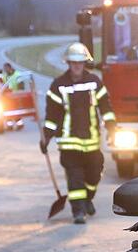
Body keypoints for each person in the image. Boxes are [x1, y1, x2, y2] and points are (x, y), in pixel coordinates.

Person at [41, 42, 117, 224]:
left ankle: (88, 198)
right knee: (75, 178)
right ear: (68, 63)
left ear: (84, 63)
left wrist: (112, 127)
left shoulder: (94, 82)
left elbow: (105, 107)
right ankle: (78, 211)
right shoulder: (58, 85)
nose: (76, 66)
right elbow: (52, 116)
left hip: (92, 142)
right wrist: (46, 137)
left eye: (80, 62)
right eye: (73, 62)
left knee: (94, 174)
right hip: (69, 143)